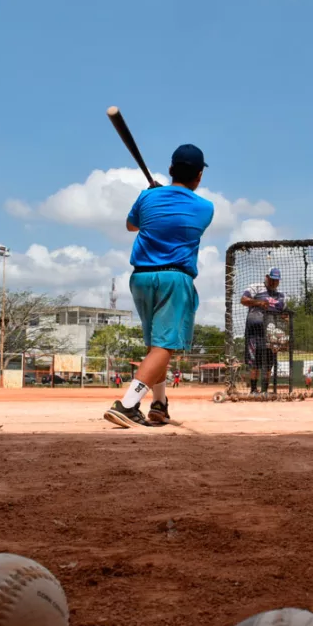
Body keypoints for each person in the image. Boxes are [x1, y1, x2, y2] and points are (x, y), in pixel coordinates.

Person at [104, 144, 215, 428]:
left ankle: (159, 403)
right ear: (199, 176)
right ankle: (128, 404)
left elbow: (132, 226)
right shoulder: (205, 208)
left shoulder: (147, 198)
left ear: (170, 170)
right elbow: (177, 213)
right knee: (165, 346)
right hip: (174, 278)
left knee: (157, 346)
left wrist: (154, 194)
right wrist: (158, 195)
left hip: (141, 277)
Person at [241, 268, 287, 395]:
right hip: (253, 333)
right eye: (271, 279)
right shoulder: (256, 287)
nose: (273, 283)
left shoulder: (281, 296)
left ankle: (265, 391)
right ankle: (253, 390)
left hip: (270, 335)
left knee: (268, 364)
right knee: (254, 363)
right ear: (267, 277)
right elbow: (243, 300)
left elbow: (283, 313)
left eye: (276, 281)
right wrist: (259, 302)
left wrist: (285, 319)